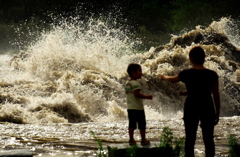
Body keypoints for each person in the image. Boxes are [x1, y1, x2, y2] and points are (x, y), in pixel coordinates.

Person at [160, 46, 220, 157]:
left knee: (190, 138)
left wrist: (163, 76)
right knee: (208, 139)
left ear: (191, 59)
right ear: (203, 58)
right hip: (207, 106)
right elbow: (214, 94)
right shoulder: (212, 75)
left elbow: (172, 80)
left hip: (191, 106)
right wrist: (217, 113)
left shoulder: (187, 73)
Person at [125, 63, 153, 146]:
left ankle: (131, 139)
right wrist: (147, 97)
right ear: (133, 73)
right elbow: (136, 94)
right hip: (138, 108)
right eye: (139, 71)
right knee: (142, 124)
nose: (141, 73)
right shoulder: (136, 83)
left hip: (130, 107)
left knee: (131, 124)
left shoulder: (128, 83)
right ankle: (143, 139)